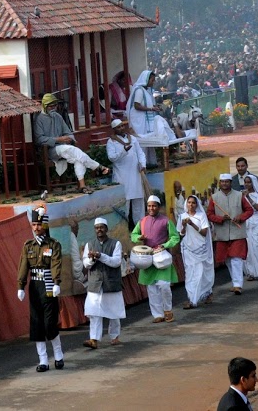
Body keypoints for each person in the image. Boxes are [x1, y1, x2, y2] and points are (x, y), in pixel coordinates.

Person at [16, 206, 64, 372]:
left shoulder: (53, 244)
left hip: (49, 283)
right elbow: (23, 266)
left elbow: (56, 263)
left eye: (39, 224)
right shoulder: (28, 246)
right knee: (36, 323)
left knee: (49, 322)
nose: (36, 228)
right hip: (35, 285)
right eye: (34, 225)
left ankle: (58, 355)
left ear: (45, 225)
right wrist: (20, 286)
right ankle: (43, 360)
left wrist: (57, 282)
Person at [33, 93, 109, 194]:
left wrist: (71, 139)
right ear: (45, 106)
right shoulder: (39, 119)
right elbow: (39, 139)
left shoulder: (58, 116)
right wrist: (58, 139)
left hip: (64, 147)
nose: (53, 108)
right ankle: (98, 167)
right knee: (72, 150)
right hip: (50, 150)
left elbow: (68, 132)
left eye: (55, 106)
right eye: (51, 106)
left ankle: (82, 186)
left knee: (78, 158)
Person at [131, 195, 180, 323]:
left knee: (164, 285)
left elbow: (175, 237)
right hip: (146, 258)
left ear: (158, 207)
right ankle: (158, 315)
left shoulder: (166, 221)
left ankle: (167, 310)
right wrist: (138, 238)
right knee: (151, 288)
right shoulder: (142, 221)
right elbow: (133, 235)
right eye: (149, 206)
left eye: (154, 206)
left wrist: (165, 245)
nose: (151, 208)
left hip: (161, 257)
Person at [206, 173, 254, 295]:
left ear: (230, 183)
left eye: (227, 181)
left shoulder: (239, 195)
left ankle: (238, 284)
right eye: (222, 182)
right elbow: (209, 215)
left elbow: (250, 210)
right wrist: (221, 219)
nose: (225, 184)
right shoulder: (214, 198)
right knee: (227, 259)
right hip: (222, 234)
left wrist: (240, 217)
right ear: (220, 183)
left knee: (236, 258)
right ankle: (235, 281)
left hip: (237, 232)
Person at [81, 217, 124, 348]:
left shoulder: (115, 244)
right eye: (97, 227)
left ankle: (115, 336)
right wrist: (92, 259)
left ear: (106, 229)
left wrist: (101, 256)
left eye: (101, 227)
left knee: (114, 312)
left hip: (111, 283)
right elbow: (86, 264)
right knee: (94, 312)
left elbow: (116, 262)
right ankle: (94, 339)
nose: (99, 229)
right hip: (95, 284)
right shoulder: (90, 244)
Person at [126, 70, 178, 168]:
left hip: (145, 118)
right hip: (139, 120)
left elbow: (148, 104)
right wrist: (151, 109)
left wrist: (155, 107)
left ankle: (150, 163)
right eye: (152, 80)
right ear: (146, 80)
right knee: (142, 141)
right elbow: (137, 106)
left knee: (148, 139)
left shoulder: (147, 91)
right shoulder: (139, 90)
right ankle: (141, 164)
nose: (153, 82)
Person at [106, 118, 146, 226]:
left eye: (122, 126)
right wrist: (124, 151)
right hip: (122, 176)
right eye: (118, 127)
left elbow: (140, 153)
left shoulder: (132, 138)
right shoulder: (111, 141)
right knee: (125, 204)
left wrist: (143, 164)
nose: (121, 128)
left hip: (135, 175)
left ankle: (141, 228)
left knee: (138, 202)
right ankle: (125, 230)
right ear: (114, 129)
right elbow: (112, 158)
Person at [178, 195, 214, 309]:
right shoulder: (182, 217)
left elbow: (204, 232)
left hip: (200, 249)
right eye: (189, 202)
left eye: (193, 203)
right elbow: (181, 234)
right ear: (186, 204)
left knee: (199, 274)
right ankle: (192, 298)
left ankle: (196, 299)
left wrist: (192, 224)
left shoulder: (201, 216)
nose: (191, 205)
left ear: (196, 204)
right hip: (188, 249)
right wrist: (184, 226)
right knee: (190, 274)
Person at [241, 174, 258, 281]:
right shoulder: (241, 194)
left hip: (257, 224)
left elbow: (257, 207)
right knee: (249, 249)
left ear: (253, 183)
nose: (247, 184)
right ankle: (252, 272)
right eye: (245, 182)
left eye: (249, 182)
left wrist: (248, 197)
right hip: (247, 223)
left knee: (257, 246)